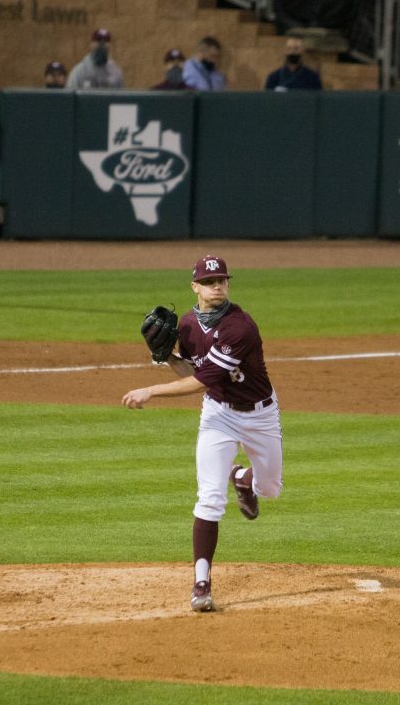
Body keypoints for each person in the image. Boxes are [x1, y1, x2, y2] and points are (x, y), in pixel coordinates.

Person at [122, 256, 283, 612]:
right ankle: (201, 583)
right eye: (210, 281)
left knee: (270, 489)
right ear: (195, 286)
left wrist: (150, 390)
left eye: (222, 280)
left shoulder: (240, 327)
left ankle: (242, 477)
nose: (218, 286)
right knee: (209, 498)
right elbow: (190, 368)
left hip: (261, 416)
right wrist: (164, 355)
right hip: (218, 417)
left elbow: (198, 382)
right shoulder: (188, 325)